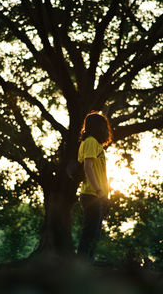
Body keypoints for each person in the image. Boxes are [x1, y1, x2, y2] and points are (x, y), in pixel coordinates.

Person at [77, 111, 112, 263]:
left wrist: (105, 196)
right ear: (98, 127)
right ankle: (81, 268)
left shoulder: (96, 144)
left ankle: (87, 266)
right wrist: (98, 192)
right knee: (89, 234)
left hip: (98, 196)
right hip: (92, 194)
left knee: (95, 234)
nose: (106, 129)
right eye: (104, 126)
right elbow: (88, 167)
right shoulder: (90, 141)